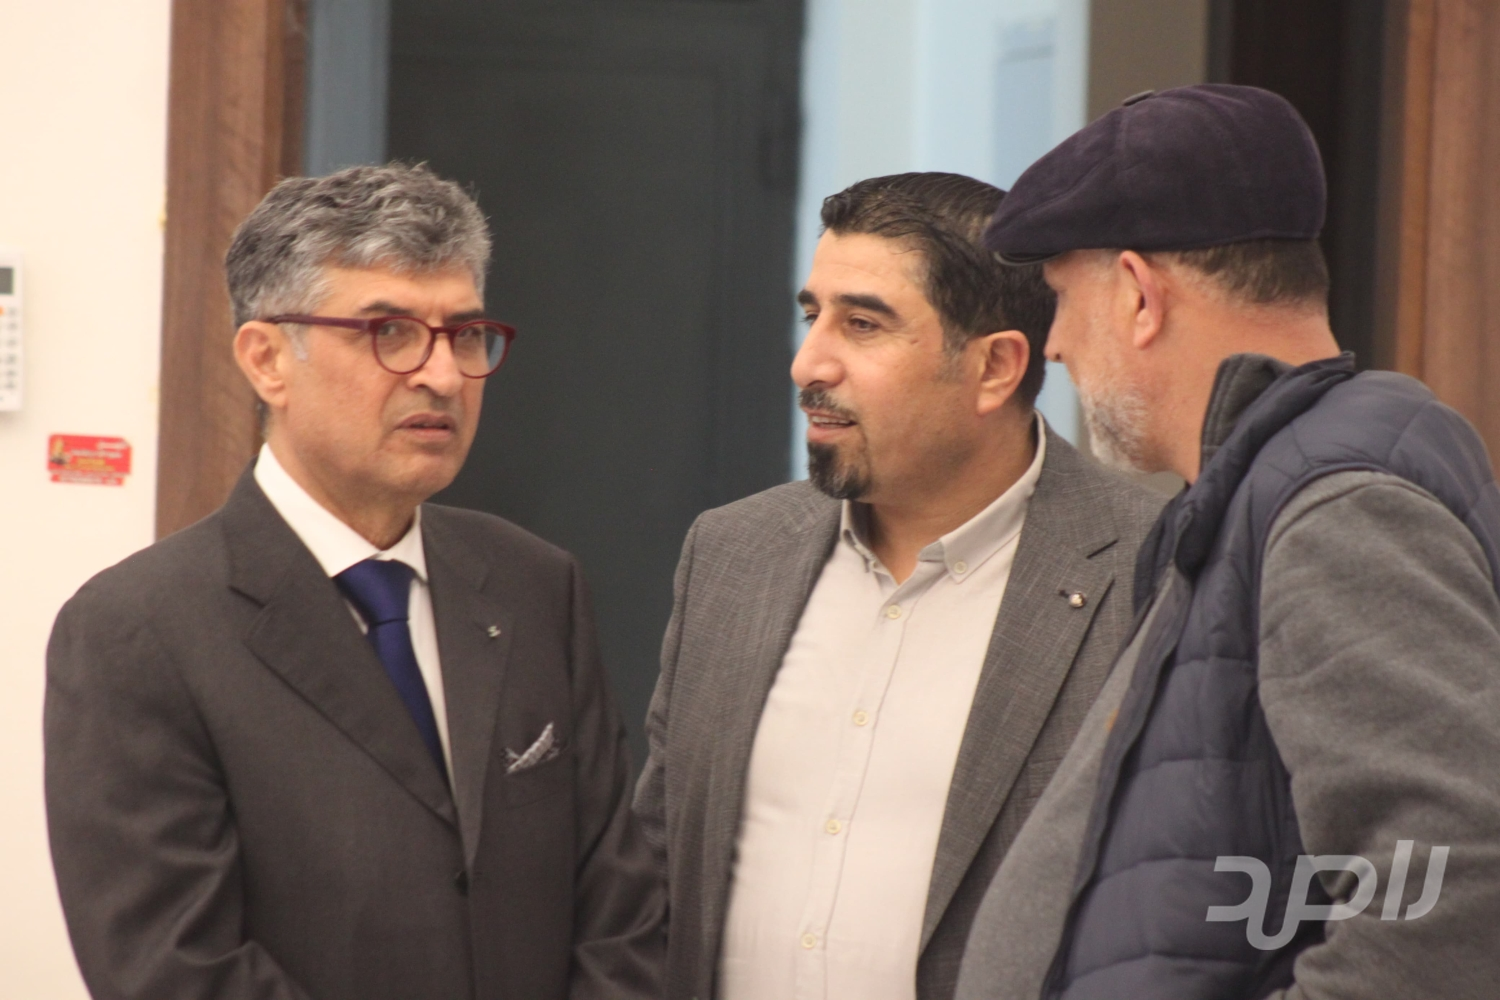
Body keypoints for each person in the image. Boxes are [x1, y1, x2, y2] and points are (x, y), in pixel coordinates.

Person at [45, 163, 664, 1000]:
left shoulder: (534, 585)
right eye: (390, 332)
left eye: (465, 334)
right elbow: (176, 970)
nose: (443, 376)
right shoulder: (138, 630)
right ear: (267, 360)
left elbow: (621, 913)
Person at [957, 84, 1500, 1000]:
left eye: (1061, 301)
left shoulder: (1334, 505)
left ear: (1139, 295)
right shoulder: (1264, 491)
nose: (1053, 348)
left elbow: (1455, 893)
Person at [632, 171, 1163, 1000]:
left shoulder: (1152, 568)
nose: (809, 362)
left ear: (995, 367)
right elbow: (655, 874)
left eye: (863, 324)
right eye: (812, 315)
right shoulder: (733, 555)